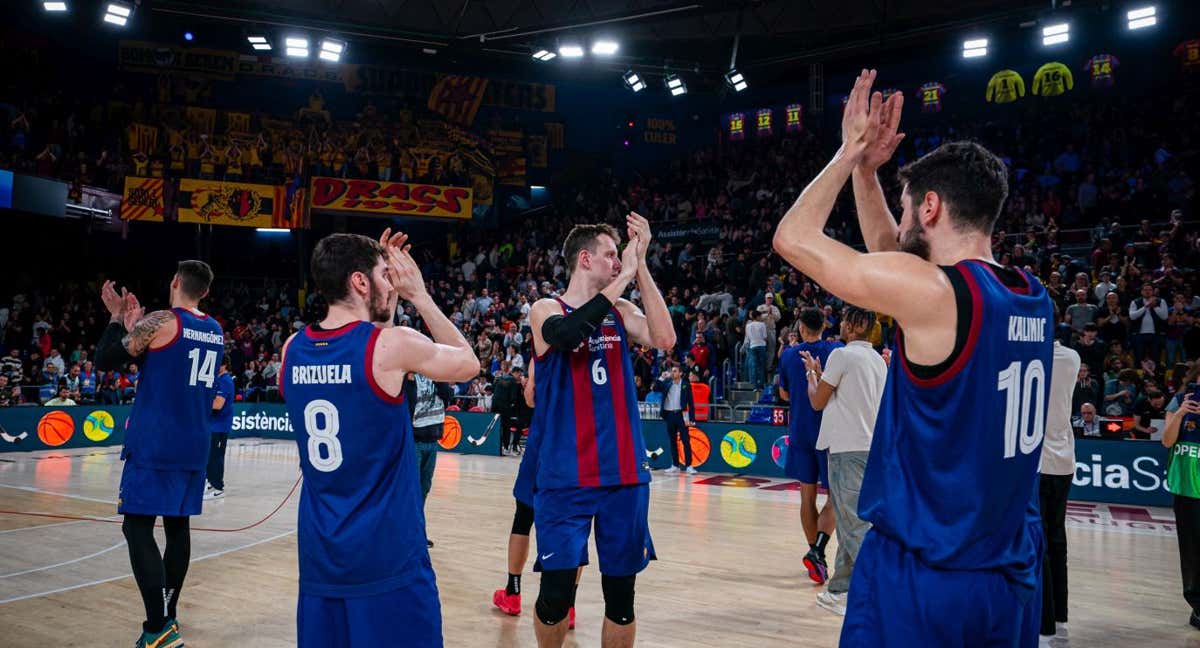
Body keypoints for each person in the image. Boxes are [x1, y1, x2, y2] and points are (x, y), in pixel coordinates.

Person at [773, 71, 1053, 646]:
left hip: (928, 568)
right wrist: (871, 175)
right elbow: (890, 256)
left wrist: (848, 152)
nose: (898, 226)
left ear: (930, 207)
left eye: (906, 212)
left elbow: (793, 237)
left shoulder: (937, 295)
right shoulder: (1031, 294)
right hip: (1010, 568)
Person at [279, 230, 479, 648]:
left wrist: (386, 297)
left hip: (321, 555)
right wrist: (421, 296)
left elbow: (352, 353)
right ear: (360, 282)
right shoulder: (392, 347)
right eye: (385, 276)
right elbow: (468, 363)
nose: (395, 285)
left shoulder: (292, 349)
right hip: (387, 553)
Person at [528, 214, 675, 648]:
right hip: (565, 475)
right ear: (585, 259)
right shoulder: (546, 309)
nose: (618, 261)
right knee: (555, 597)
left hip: (624, 474)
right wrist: (624, 276)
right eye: (611, 254)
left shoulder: (622, 311)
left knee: (621, 599)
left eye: (620, 255)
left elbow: (664, 338)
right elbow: (570, 335)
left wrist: (641, 267)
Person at [95, 262, 224, 648]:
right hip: (194, 442)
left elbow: (106, 360)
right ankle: (168, 615)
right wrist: (138, 333)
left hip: (156, 443)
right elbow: (167, 364)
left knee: (136, 527)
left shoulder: (162, 320)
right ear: (205, 292)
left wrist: (119, 320)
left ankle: (157, 628)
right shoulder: (215, 330)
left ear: (174, 282)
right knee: (177, 529)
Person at [801, 306, 887, 616]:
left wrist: (812, 374)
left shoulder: (842, 355)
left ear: (851, 325)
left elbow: (817, 401)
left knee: (853, 528)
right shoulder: (878, 360)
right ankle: (839, 590)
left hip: (846, 449)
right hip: (871, 449)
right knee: (855, 522)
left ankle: (879, 595)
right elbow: (848, 393)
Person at [493, 359, 584, 629]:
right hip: (579, 445)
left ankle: (513, 592)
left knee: (523, 517)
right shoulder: (594, 344)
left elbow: (531, 399)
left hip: (545, 440)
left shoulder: (544, 350)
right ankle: (569, 604)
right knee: (575, 526)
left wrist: (528, 386)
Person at [778, 306, 843, 584]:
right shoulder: (837, 351)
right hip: (830, 433)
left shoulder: (789, 355)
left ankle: (814, 557)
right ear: (825, 326)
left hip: (801, 430)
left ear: (802, 328)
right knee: (836, 498)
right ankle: (818, 551)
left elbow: (783, 393)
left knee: (806, 497)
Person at [1039, 308, 1081, 643]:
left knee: (1037, 540)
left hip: (1036, 462)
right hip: (1064, 459)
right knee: (1057, 539)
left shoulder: (1028, 357)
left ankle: (1045, 620)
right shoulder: (1072, 357)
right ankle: (1061, 615)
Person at [1162, 389, 1200, 632]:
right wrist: (1179, 414)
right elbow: (1167, 441)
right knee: (1192, 552)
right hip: (1187, 487)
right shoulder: (1181, 399)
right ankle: (1197, 606)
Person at [403, 370, 454, 548]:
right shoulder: (408, 376)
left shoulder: (437, 376)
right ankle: (409, 534)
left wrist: (439, 378)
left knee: (424, 488)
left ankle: (417, 532)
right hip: (414, 441)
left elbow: (448, 397)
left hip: (432, 441)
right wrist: (409, 382)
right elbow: (408, 407)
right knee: (412, 490)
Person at [655, 365, 697, 474]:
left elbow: (691, 403)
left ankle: (689, 465)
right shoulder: (667, 383)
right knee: (672, 441)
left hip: (681, 415)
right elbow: (655, 388)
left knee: (685, 440)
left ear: (680, 373)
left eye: (675, 371)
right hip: (669, 415)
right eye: (672, 371)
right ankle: (675, 465)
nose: (672, 373)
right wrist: (661, 378)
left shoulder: (685, 385)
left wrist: (692, 418)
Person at [204, 357, 235, 500]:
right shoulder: (217, 380)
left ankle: (218, 488)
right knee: (210, 457)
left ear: (224, 365)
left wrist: (201, 402)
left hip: (220, 426)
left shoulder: (225, 381)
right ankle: (210, 483)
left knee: (216, 457)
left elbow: (218, 404)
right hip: (213, 425)